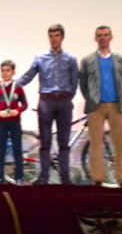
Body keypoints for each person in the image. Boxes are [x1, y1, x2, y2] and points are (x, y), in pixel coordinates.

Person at [16, 24, 79, 184]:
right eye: (51, 36)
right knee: (45, 142)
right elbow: (28, 76)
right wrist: (9, 85)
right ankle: (44, 178)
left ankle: (65, 178)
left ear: (62, 37)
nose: (53, 39)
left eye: (56, 35)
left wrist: (67, 98)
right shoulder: (40, 57)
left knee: (64, 143)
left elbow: (74, 82)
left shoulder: (71, 59)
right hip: (46, 101)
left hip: (64, 102)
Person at [79, 26, 122, 186]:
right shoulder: (87, 60)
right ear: (96, 38)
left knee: (120, 144)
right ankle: (97, 179)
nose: (103, 38)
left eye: (106, 35)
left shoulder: (121, 59)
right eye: (100, 35)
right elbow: (83, 85)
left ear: (111, 37)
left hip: (116, 106)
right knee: (95, 145)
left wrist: (120, 97)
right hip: (96, 108)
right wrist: (91, 99)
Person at [0, 60, 28, 184]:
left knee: (17, 150)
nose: (5, 73)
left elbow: (25, 104)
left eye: (8, 70)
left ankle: (19, 178)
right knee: (1, 150)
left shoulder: (18, 87)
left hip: (15, 122)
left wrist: (17, 110)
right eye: (3, 70)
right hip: (2, 123)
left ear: (13, 72)